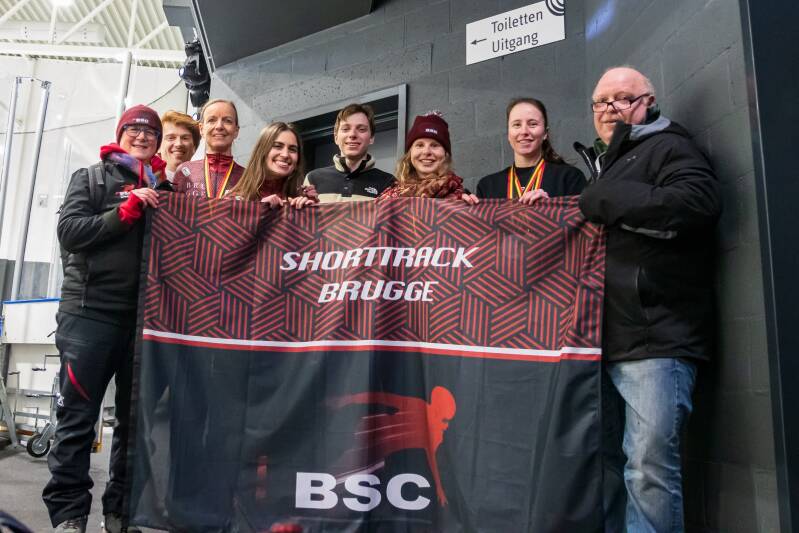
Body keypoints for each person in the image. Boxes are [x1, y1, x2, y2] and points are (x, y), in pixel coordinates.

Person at [578, 66, 721, 532]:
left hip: (658, 336)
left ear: (649, 102)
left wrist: (606, 196)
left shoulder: (670, 146)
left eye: (621, 98)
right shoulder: (608, 162)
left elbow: (697, 203)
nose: (609, 109)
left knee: (648, 469)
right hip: (607, 339)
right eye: (600, 102)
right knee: (611, 467)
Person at [43, 105, 171, 533]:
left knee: (134, 428)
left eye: (150, 132)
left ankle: (120, 514)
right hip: (89, 317)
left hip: (145, 323)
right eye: (133, 129)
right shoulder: (91, 178)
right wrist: (124, 212)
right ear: (120, 134)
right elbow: (69, 232)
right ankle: (68, 515)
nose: (142, 136)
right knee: (77, 420)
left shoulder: (166, 188)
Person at [471, 97, 585, 204]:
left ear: (545, 133)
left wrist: (549, 206)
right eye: (517, 125)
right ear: (508, 134)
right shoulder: (487, 186)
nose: (524, 131)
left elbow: (580, 217)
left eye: (532, 124)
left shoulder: (570, 178)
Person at [304, 103, 394, 202]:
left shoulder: (389, 183)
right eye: (345, 129)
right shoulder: (312, 179)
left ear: (371, 138)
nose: (352, 134)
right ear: (336, 137)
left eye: (361, 129)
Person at [228, 122, 318, 208]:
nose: (285, 155)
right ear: (261, 151)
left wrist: (310, 210)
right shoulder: (234, 199)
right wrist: (258, 210)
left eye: (292, 149)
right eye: (278, 146)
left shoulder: (302, 196)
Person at [379, 112, 463, 199]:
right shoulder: (388, 198)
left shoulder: (462, 199)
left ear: (445, 154)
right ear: (410, 153)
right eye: (420, 145)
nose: (426, 152)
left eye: (434, 145)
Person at [171, 99, 244, 198]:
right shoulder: (184, 171)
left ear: (236, 131)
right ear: (201, 129)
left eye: (227, 121)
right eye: (212, 120)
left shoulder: (248, 178)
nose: (219, 126)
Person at [159, 110, 200, 181]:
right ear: (158, 146)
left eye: (185, 138)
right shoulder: (145, 183)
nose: (179, 144)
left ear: (194, 147)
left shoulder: (203, 185)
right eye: (171, 138)